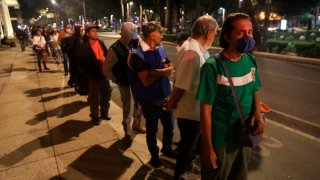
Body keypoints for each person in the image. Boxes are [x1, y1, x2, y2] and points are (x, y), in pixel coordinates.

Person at [196, 13, 265, 180]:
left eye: (250, 32)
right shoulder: (213, 67)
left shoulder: (250, 60)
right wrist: (208, 148)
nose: (247, 37)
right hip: (221, 140)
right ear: (227, 37)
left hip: (244, 134)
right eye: (241, 33)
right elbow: (205, 111)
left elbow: (254, 89)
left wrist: (257, 113)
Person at [165, 15, 218, 179]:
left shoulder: (197, 48)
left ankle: (187, 167)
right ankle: (180, 174)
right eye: (215, 33)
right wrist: (170, 105)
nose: (215, 36)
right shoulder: (192, 52)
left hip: (196, 111)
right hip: (191, 113)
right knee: (187, 148)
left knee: (193, 146)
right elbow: (181, 84)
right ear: (208, 32)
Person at [127, 22, 176, 168]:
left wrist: (156, 71)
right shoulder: (137, 54)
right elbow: (146, 81)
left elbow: (169, 65)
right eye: (160, 33)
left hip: (166, 96)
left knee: (169, 127)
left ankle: (167, 148)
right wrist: (162, 72)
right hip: (150, 100)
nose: (162, 35)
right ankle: (154, 155)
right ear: (152, 34)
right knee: (152, 130)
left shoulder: (160, 48)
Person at [103, 22, 146, 139]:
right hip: (124, 81)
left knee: (139, 103)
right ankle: (127, 129)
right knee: (126, 105)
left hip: (135, 80)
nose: (135, 39)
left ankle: (136, 124)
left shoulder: (134, 43)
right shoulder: (115, 49)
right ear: (126, 34)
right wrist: (116, 79)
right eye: (132, 35)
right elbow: (106, 68)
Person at [78, 24, 112, 125]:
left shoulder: (100, 42)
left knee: (106, 93)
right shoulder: (83, 45)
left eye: (96, 31)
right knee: (94, 96)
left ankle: (104, 112)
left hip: (103, 73)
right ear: (87, 33)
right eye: (93, 31)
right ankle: (95, 115)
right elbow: (81, 62)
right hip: (92, 75)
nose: (95, 33)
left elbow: (106, 54)